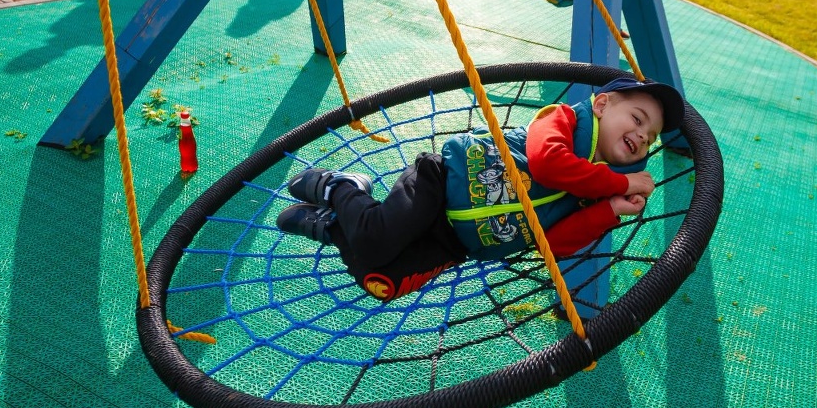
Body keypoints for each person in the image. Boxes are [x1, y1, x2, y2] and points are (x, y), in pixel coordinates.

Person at [275, 76, 684, 302]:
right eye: (637, 117)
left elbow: (554, 244)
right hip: (442, 182)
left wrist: (609, 209)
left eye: (650, 138)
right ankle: (342, 189)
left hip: (458, 242)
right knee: (376, 236)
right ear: (602, 105)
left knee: (382, 281)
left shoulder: (595, 191)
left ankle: (332, 226)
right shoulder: (564, 121)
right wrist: (621, 182)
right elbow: (547, 163)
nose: (642, 135)